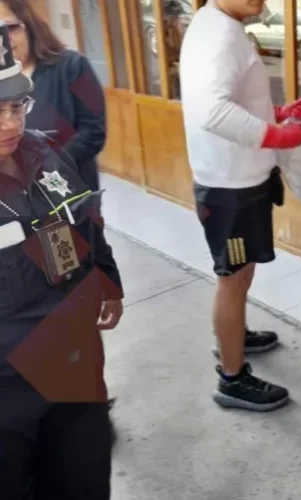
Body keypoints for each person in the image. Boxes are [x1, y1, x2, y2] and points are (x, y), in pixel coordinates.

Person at [0, 22, 124, 500]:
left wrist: (106, 276)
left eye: (16, 106)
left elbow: (83, 220)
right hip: (8, 394)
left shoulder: (44, 155)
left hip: (74, 371)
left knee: (86, 484)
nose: (10, 123)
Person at [180, 0, 301, 412]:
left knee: (241, 274)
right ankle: (232, 377)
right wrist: (275, 136)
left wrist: (274, 115)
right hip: (231, 190)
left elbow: (229, 100)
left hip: (237, 182)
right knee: (234, 276)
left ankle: (233, 336)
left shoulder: (217, 24)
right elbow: (213, 111)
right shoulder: (220, 33)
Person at [0, 0, 106, 193]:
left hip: (69, 192)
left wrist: (48, 167)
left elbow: (93, 131)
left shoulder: (73, 66)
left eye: (10, 28)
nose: (4, 40)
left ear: (29, 25)